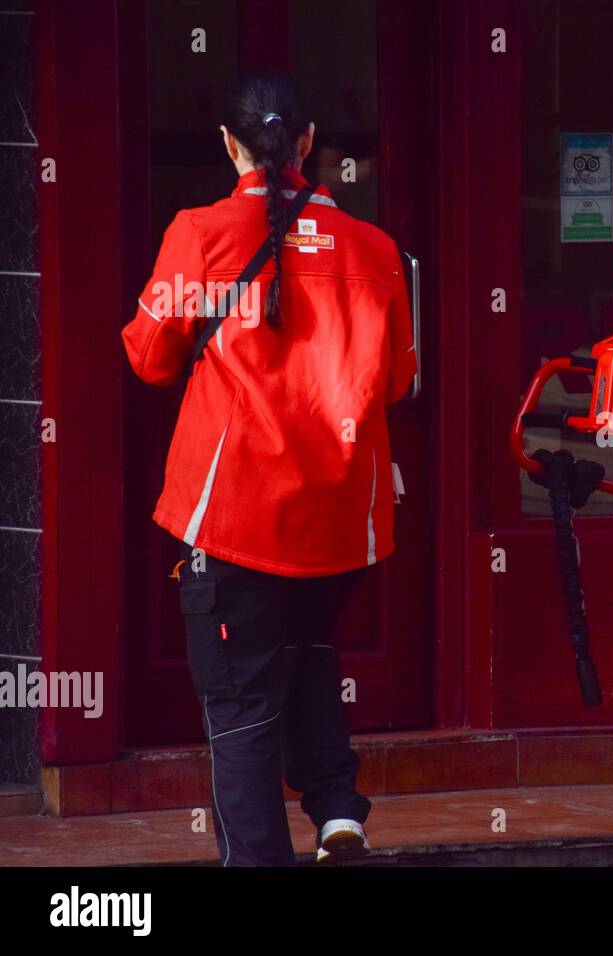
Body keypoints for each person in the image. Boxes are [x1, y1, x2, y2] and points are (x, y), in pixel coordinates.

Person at [121, 72, 416, 866]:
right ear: (309, 141)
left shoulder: (199, 233)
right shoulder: (378, 249)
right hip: (340, 526)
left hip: (236, 518)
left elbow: (149, 359)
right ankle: (338, 814)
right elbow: (394, 381)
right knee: (307, 656)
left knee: (243, 707)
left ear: (229, 144)